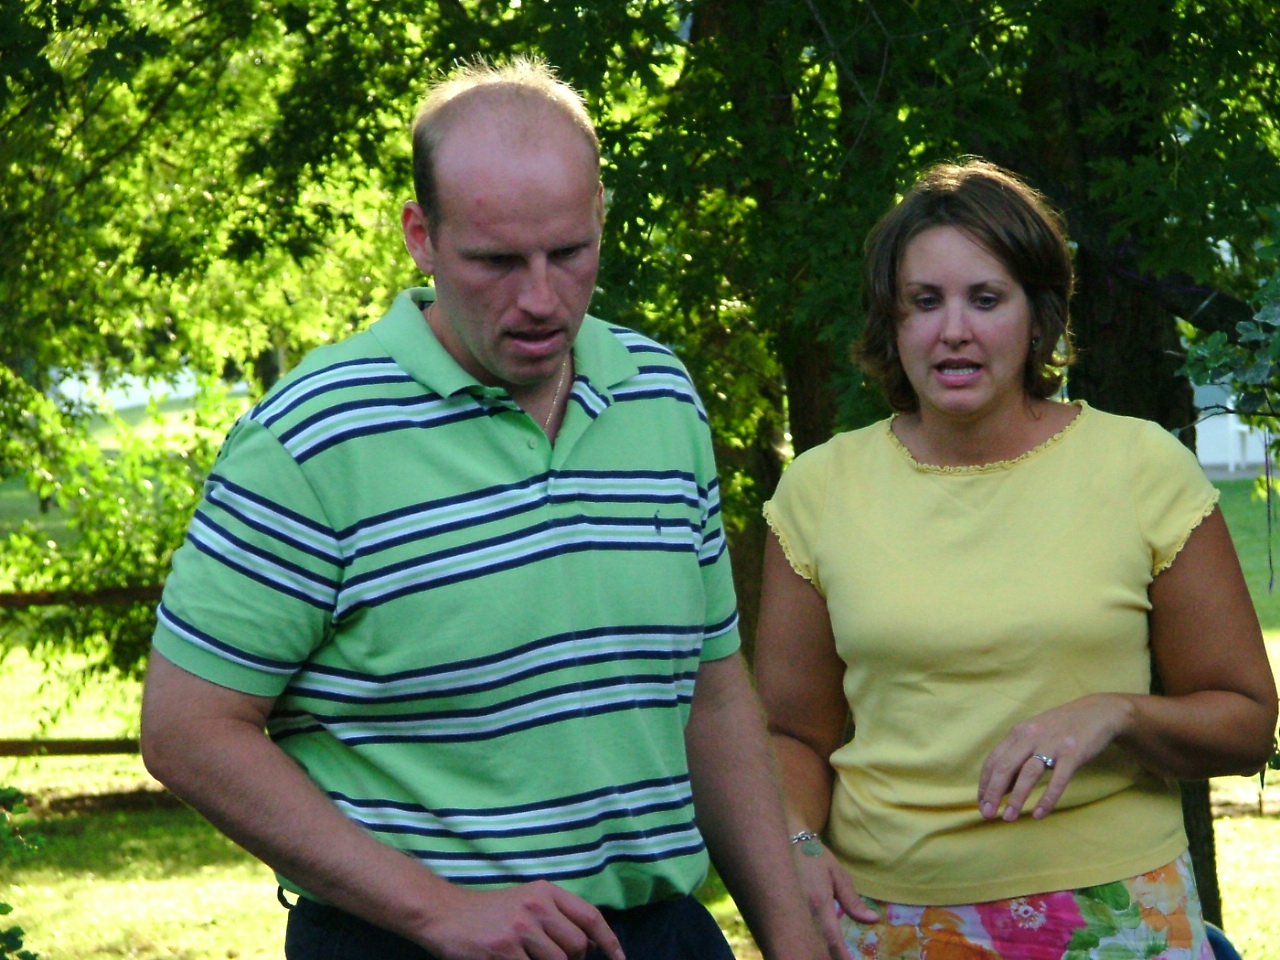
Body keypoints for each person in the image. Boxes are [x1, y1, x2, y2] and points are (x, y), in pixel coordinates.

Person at [141, 56, 827, 960]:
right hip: (407, 943)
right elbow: (188, 730)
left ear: (600, 218)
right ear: (421, 237)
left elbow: (711, 692)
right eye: (496, 261)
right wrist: (436, 910)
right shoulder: (313, 436)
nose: (540, 299)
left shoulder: (659, 395)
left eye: (569, 254)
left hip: (659, 935)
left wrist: (790, 939)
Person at [754, 159, 1278, 960]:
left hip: (1118, 912)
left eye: (986, 299)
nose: (953, 330)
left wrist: (1115, 714)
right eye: (924, 301)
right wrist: (795, 845)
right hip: (890, 918)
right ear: (891, 322)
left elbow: (1245, 722)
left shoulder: (1140, 467)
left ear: (1040, 318)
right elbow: (792, 733)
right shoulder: (820, 490)